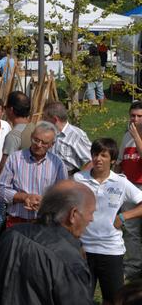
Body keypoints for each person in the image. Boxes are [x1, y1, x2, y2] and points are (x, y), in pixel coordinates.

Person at [0, 180, 96, 305]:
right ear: (73, 214)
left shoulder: (11, 234)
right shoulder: (70, 260)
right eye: (91, 213)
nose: (91, 219)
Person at [74, 138, 142, 305]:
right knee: (80, 299)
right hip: (83, 249)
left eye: (103, 155)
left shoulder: (121, 182)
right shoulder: (78, 179)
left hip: (111, 251)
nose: (98, 159)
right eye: (95, 154)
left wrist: (124, 216)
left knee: (113, 300)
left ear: (112, 160)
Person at [0, 121, 68, 227]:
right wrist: (24, 197)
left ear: (52, 145)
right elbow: (0, 190)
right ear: (31, 136)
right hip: (17, 221)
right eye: (36, 140)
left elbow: (63, 196)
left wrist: (44, 203)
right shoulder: (15, 158)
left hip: (44, 223)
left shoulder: (58, 164)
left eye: (44, 143)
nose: (39, 145)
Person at [117, 101, 142, 280]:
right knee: (131, 230)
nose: (135, 119)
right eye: (132, 115)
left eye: (139, 116)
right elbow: (120, 162)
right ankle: (134, 266)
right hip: (129, 188)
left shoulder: (134, 135)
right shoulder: (126, 136)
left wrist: (137, 136)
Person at [43, 101, 92, 175]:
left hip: (67, 178)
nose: (43, 121)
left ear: (55, 119)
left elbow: (91, 162)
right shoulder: (49, 133)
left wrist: (77, 179)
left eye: (45, 118)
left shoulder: (76, 135)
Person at [0, 91, 31, 178]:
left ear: (10, 110)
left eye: (5, 107)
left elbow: (5, 166)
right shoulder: (35, 129)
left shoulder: (13, 136)